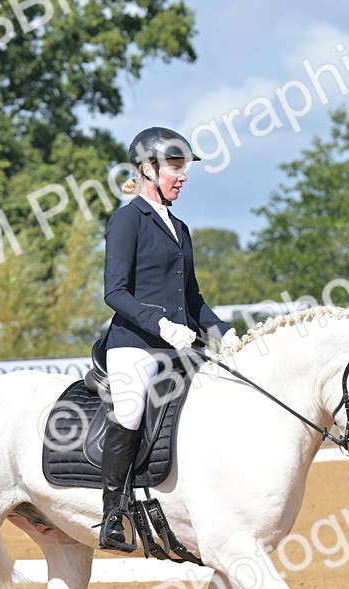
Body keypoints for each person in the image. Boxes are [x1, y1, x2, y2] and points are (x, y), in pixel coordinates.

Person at [97, 126, 239, 551]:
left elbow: (192, 299)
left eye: (183, 168)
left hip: (181, 345)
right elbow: (115, 292)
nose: (183, 176)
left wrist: (225, 333)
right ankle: (114, 513)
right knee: (130, 410)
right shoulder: (127, 220)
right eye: (175, 167)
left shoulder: (179, 227)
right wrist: (160, 324)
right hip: (134, 343)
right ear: (147, 169)